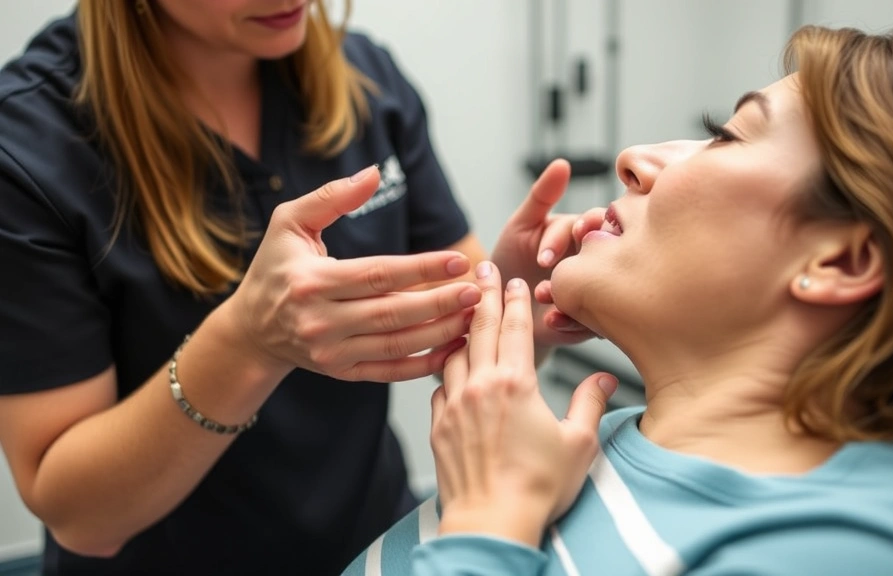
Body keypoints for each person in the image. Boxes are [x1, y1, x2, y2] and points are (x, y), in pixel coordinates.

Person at [344, 25, 893, 575]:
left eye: (727, 136)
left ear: (841, 259)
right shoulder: (610, 440)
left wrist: (489, 522)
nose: (635, 157)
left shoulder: (868, 551)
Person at [0, 1, 599, 575]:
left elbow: (461, 325)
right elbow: (80, 517)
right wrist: (246, 342)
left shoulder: (367, 79)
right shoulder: (31, 145)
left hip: (376, 546)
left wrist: (514, 297)